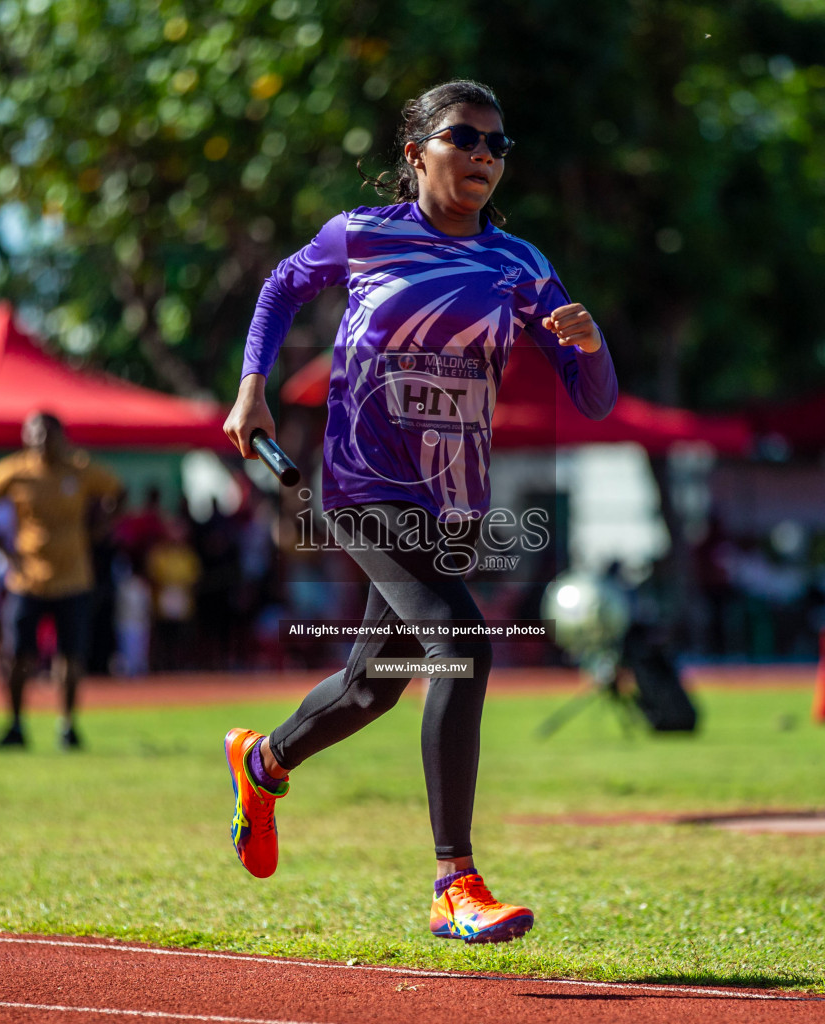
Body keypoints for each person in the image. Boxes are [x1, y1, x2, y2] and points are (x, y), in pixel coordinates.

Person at [220, 79, 617, 943]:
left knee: (374, 687)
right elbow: (281, 287)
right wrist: (252, 388)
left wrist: (590, 346)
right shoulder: (363, 235)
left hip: (455, 502)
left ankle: (263, 761)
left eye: (497, 145)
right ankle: (454, 881)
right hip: (364, 483)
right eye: (464, 137)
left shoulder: (519, 265)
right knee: (463, 648)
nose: (483, 155)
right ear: (417, 153)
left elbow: (594, 400)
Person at [0, 411, 121, 750]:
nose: (42, 442)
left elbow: (117, 491)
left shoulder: (79, 469)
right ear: (25, 437)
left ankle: (67, 726)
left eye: (48, 435)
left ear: (61, 437)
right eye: (35, 435)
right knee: (19, 655)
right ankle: (17, 725)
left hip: (73, 578)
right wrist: (3, 552)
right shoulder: (15, 470)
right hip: (27, 579)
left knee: (70, 656)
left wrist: (100, 528)